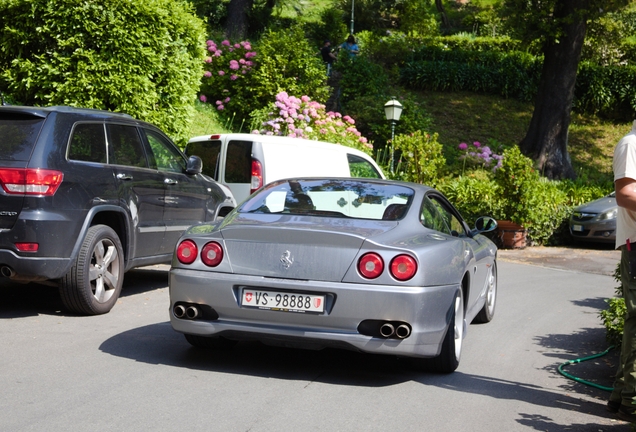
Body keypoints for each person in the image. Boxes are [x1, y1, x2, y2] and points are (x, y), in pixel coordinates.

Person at [609, 120, 636, 422]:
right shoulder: (631, 144)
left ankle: (622, 394)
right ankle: (631, 398)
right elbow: (625, 193)